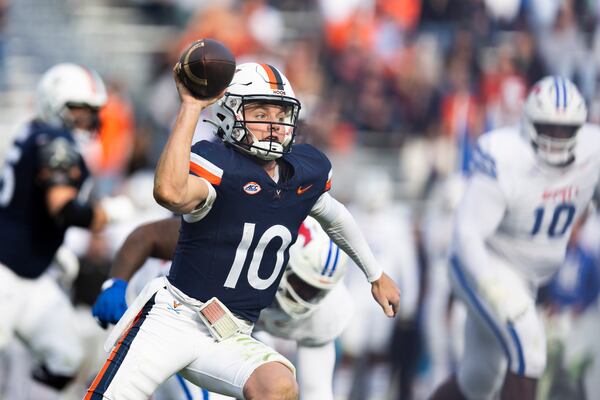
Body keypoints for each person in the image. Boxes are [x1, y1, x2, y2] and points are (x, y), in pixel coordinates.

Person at [85, 61, 400, 400]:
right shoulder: (220, 168)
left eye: (280, 116)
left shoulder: (303, 174)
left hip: (232, 331)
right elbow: (170, 192)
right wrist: (191, 108)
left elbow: (334, 216)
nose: (274, 126)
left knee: (278, 386)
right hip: (173, 318)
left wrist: (374, 274)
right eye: (261, 115)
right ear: (229, 115)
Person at [430, 75, 600, 400]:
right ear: (529, 123)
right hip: (483, 263)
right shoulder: (505, 154)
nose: (557, 138)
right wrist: (491, 286)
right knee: (530, 346)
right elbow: (468, 234)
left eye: (565, 130)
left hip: (528, 277)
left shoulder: (593, 150)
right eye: (549, 127)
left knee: (478, 380)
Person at [92, 215, 352, 400]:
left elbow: (317, 391)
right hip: (181, 310)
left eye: (317, 292)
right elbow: (147, 236)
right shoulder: (233, 244)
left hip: (235, 329)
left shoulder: (325, 313)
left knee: (275, 387)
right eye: (301, 284)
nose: (306, 298)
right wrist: (115, 284)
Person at [0, 63, 133, 392]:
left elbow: (28, 204)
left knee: (65, 357)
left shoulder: (34, 130)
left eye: (90, 112)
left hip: (29, 273)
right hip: (6, 272)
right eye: (78, 110)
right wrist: (110, 213)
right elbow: (64, 209)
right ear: (55, 103)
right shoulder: (55, 141)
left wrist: (51, 248)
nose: (85, 120)